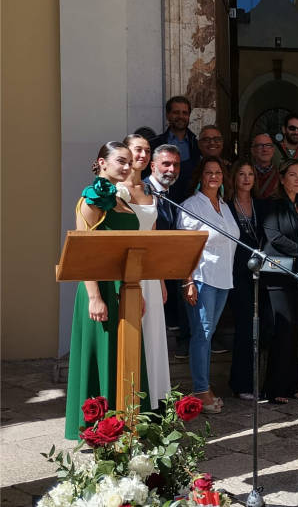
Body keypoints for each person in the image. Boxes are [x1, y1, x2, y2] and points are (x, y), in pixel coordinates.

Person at [65, 142, 142, 439]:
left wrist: (138, 293)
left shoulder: (121, 197)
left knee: (125, 356)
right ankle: (98, 428)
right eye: (120, 161)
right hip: (100, 288)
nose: (126, 167)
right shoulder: (91, 199)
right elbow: (83, 254)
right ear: (102, 163)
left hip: (126, 289)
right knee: (102, 355)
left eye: (129, 162)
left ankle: (125, 423)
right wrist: (95, 297)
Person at [178, 156, 240, 414]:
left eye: (218, 172)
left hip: (224, 278)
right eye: (209, 172)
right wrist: (188, 280)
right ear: (200, 176)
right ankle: (201, 389)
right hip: (202, 278)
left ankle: (201, 386)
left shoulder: (224, 205)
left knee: (208, 333)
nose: (214, 176)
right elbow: (184, 246)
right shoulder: (192, 205)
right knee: (202, 334)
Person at [261, 159, 298, 403]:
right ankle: (274, 388)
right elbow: (274, 237)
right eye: (293, 175)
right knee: (281, 330)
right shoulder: (272, 205)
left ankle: (291, 382)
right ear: (282, 178)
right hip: (277, 275)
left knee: (294, 331)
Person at [121, 134, 171, 409]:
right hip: (127, 272)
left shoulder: (149, 191)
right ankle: (130, 401)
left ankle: (154, 404)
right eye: (137, 149)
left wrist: (160, 279)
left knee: (153, 337)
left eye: (146, 150)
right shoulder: (116, 190)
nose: (142, 154)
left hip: (150, 274)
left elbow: (153, 239)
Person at [226, 159, 268, 400]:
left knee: (260, 327)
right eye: (241, 173)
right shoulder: (226, 206)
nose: (246, 178)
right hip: (236, 273)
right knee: (244, 327)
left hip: (260, 273)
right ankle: (241, 383)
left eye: (250, 173)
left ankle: (256, 381)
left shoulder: (261, 205)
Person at [145, 144, 190, 357]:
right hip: (147, 272)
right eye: (166, 164)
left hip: (164, 270)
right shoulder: (143, 191)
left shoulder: (169, 195)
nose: (172, 169)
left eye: (176, 165)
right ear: (153, 166)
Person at [148, 95, 200, 202]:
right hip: (163, 201)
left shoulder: (197, 144)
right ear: (168, 115)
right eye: (176, 112)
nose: (181, 116)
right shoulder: (155, 144)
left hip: (191, 202)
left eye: (184, 113)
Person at [250, 133, 280, 199]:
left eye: (268, 145)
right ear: (252, 150)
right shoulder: (246, 173)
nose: (265, 149)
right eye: (260, 146)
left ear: (273, 150)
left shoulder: (280, 174)